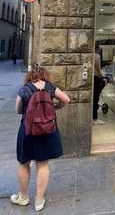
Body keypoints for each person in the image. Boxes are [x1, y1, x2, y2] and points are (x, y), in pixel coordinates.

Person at [11, 63, 70, 212]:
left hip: (27, 131)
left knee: (24, 163)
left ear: (30, 76)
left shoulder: (24, 89)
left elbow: (17, 109)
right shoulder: (50, 87)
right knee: (43, 164)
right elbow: (66, 99)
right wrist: (54, 108)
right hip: (47, 130)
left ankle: (23, 197)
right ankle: (39, 200)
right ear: (44, 75)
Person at [93, 45, 106, 125]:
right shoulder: (97, 56)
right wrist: (102, 76)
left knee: (94, 98)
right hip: (96, 78)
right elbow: (97, 68)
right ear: (97, 49)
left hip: (92, 78)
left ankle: (93, 118)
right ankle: (95, 119)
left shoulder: (90, 55)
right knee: (96, 98)